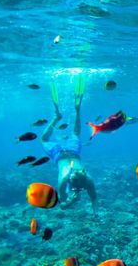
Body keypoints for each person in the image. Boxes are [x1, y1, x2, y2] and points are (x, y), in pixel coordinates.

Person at [40, 75, 97, 211]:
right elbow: (64, 204)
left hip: (73, 152)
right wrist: (71, 202)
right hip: (58, 154)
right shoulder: (73, 179)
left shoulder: (80, 178)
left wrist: (71, 199)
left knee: (75, 133)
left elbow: (65, 199)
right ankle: (59, 116)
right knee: (44, 140)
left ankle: (72, 112)